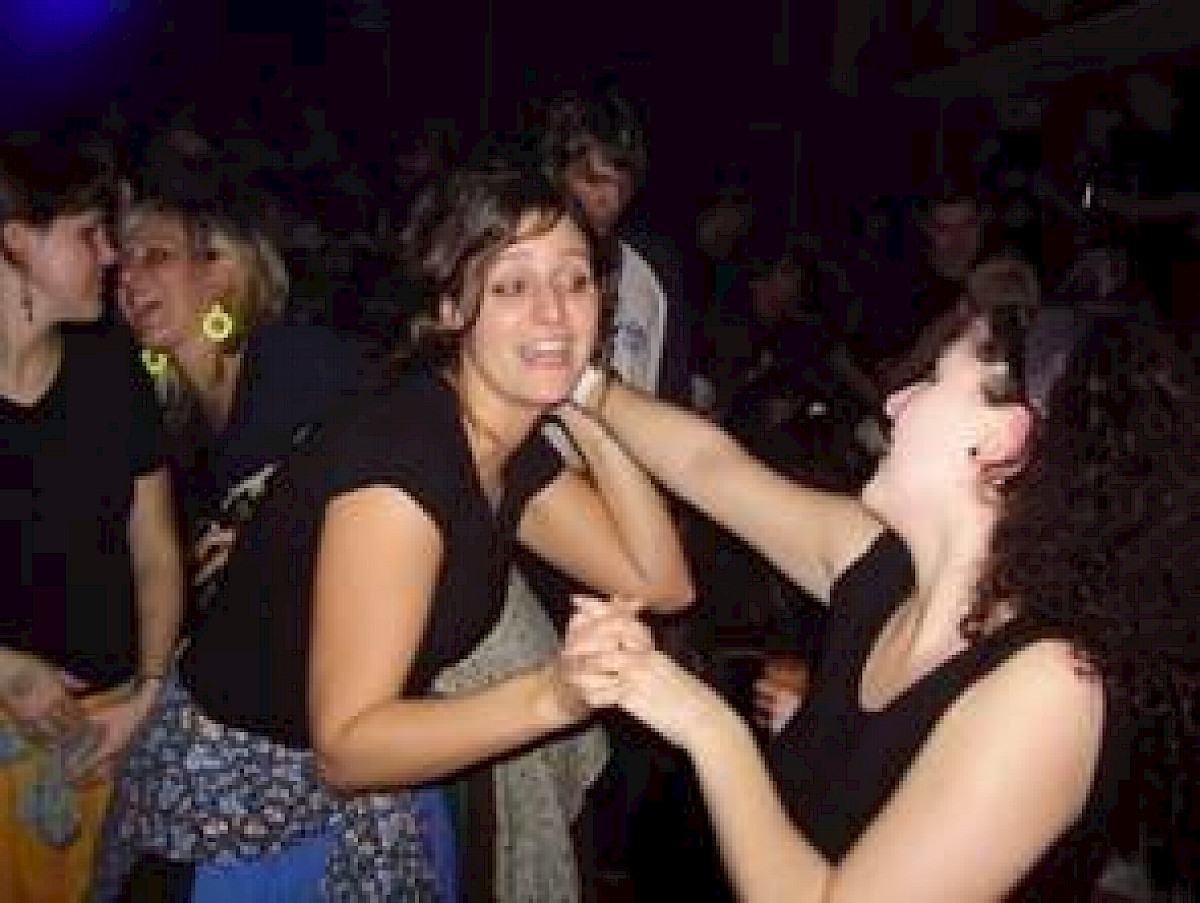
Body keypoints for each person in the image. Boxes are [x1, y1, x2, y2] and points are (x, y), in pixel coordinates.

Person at [94, 165, 693, 901]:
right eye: (511, 286)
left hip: (358, 799)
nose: (554, 312)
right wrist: (556, 696)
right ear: (450, 307)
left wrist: (588, 409)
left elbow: (662, 582)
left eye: (575, 282)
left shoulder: (501, 439)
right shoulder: (402, 464)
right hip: (237, 811)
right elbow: (348, 747)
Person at [561, 289, 1198, 900]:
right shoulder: (882, 569)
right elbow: (712, 468)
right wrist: (578, 384)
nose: (895, 401)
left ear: (999, 440)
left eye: (933, 381)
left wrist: (705, 725)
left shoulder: (1052, 690)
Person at [0, 134, 184, 902]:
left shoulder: (110, 364)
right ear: (17, 241)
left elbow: (156, 549)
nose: (111, 255)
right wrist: (7, 668)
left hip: (111, 730)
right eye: (88, 233)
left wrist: (148, 690)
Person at [116, 138, 384, 625]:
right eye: (122, 264)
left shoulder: (297, 361)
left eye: (156, 256)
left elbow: (401, 484)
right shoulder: (170, 424)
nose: (129, 280)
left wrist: (271, 545)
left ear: (221, 271)